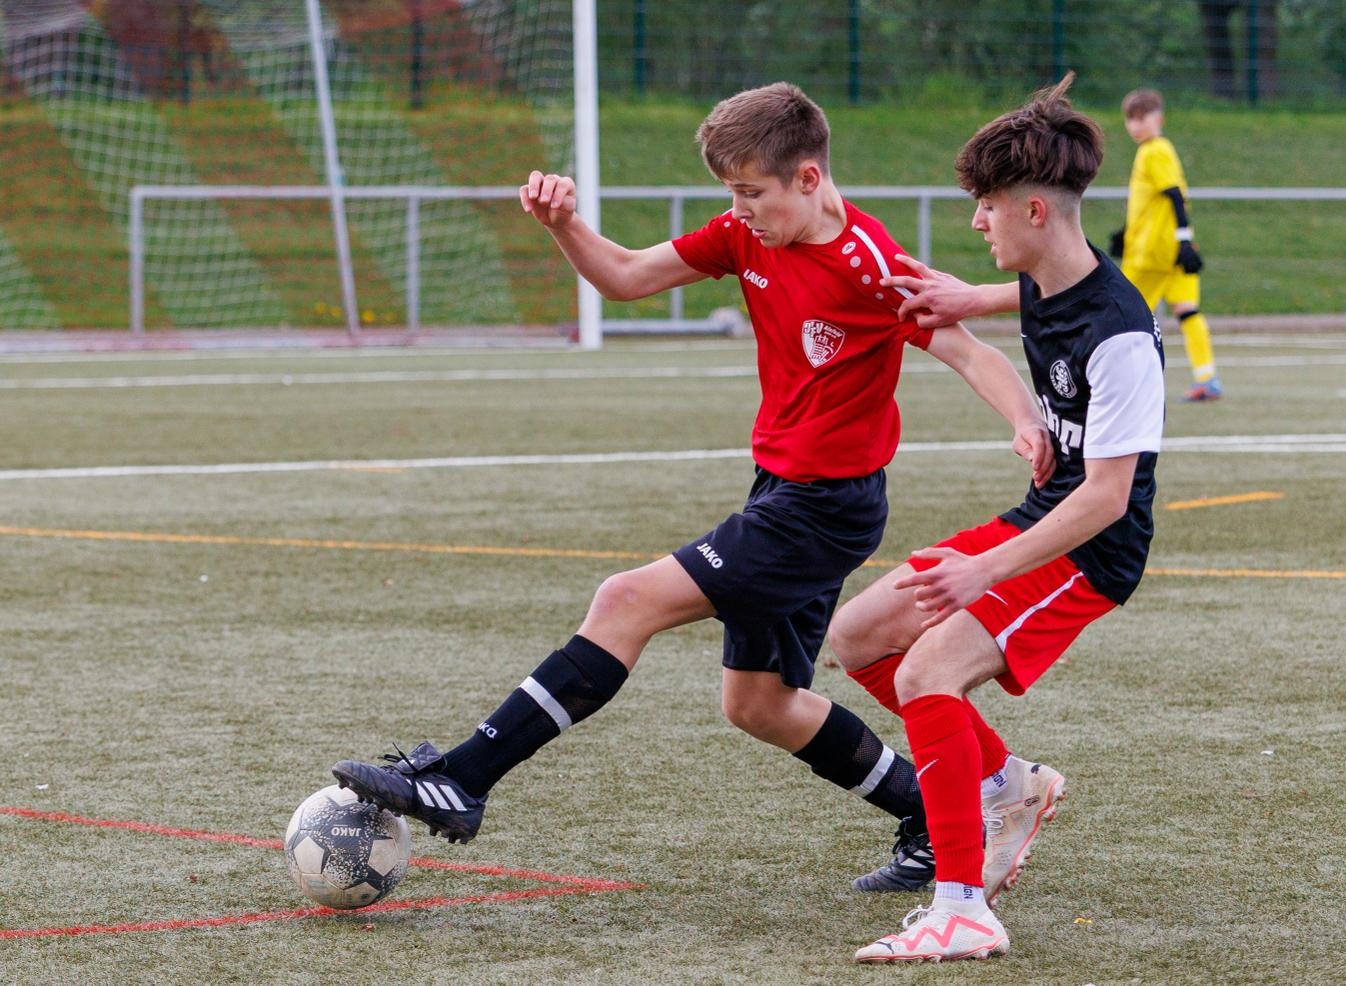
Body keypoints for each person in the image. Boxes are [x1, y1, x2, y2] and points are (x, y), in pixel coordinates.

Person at [329, 83, 1055, 898]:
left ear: (808, 178)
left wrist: (1024, 420)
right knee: (760, 704)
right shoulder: (744, 235)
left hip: (823, 510)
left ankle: (462, 779)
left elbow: (968, 352)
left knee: (625, 600)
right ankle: (931, 814)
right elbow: (626, 276)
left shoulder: (869, 263)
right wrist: (565, 224)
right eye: (730, 193)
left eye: (752, 192)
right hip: (779, 493)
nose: (739, 210)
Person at [833, 74, 1164, 963]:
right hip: (1043, 514)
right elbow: (1033, 298)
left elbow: (1106, 497)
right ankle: (1007, 783)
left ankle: (961, 907)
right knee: (859, 635)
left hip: (1090, 549)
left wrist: (983, 571)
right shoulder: (1050, 278)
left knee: (927, 671)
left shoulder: (1120, 338)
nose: (977, 221)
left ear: (1032, 210)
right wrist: (964, 298)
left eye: (986, 206)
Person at [1113, 87, 1221, 402]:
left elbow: (1174, 195)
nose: (1135, 125)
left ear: (1158, 119)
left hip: (1152, 253)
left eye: (1141, 118)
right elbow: (1155, 203)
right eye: (1130, 119)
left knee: (1121, 314)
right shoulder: (1159, 149)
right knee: (1187, 311)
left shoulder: (1153, 150)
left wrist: (1183, 237)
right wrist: (1126, 231)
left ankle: (1121, 382)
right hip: (1172, 248)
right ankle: (1208, 379)